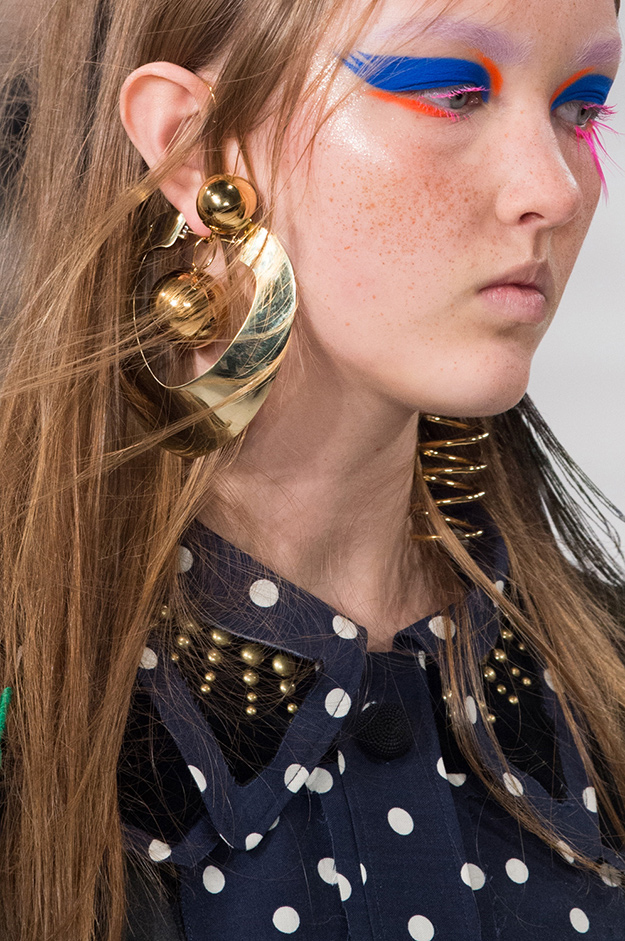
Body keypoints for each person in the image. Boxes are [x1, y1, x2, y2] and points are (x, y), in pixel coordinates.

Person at [0, 0, 624, 937]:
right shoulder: (33, 709)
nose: (558, 189)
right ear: (194, 147)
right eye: (451, 93)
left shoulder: (598, 692)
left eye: (581, 108)